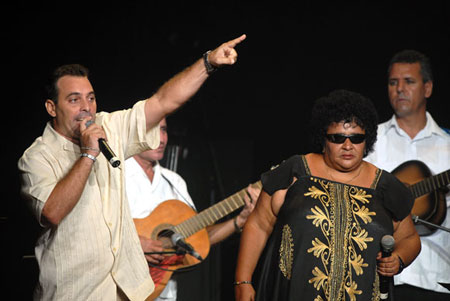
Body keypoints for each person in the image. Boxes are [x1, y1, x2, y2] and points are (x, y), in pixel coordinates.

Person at [18, 34, 246, 300]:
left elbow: (162, 102)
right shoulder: (36, 157)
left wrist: (208, 62)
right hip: (73, 293)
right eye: (74, 100)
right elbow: (52, 213)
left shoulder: (110, 127)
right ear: (51, 107)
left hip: (126, 292)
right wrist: (89, 153)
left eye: (91, 98)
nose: (86, 108)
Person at [234, 89, 421, 301]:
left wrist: (399, 258)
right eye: (338, 138)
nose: (348, 145)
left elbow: (409, 237)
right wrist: (243, 281)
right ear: (323, 138)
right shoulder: (295, 171)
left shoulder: (385, 186)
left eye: (356, 138)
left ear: (366, 140)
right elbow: (259, 224)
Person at [125, 117, 260, 301]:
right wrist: (133, 244)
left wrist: (239, 221)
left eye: (164, 130)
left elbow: (199, 236)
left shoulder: (175, 181)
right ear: (134, 133)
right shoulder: (115, 177)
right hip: (119, 289)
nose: (162, 139)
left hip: (163, 294)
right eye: (153, 131)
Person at [365, 50, 450, 300]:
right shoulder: (369, 141)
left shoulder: (448, 146)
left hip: (437, 278)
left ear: (428, 88)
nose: (400, 89)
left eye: (409, 81)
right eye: (393, 82)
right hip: (376, 277)